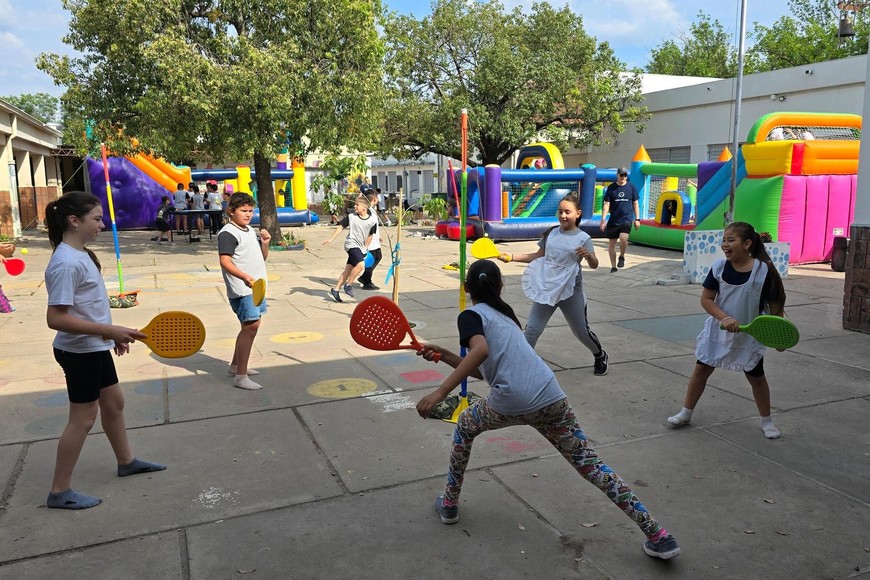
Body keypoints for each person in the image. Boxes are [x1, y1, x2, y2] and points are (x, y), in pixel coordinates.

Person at [414, 259, 681, 560]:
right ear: (500, 286)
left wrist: (439, 392)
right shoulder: (507, 317)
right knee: (591, 465)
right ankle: (657, 534)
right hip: (551, 397)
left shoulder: (470, 315)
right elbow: (485, 370)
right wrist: (446, 354)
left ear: (466, 287)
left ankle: (449, 504)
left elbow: (480, 352)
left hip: (511, 401)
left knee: (464, 426)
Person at [43, 191, 166, 510]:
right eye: (96, 219)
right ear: (74, 221)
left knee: (114, 403)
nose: (102, 224)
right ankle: (59, 490)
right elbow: (55, 318)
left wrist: (110, 336)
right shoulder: (66, 262)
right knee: (82, 419)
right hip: (78, 351)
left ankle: (126, 461)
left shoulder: (81, 253)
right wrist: (109, 331)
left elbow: (88, 308)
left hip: (93, 346)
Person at [667, 221, 787, 439]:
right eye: (723, 240)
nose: (725, 244)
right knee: (701, 370)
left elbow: (776, 302)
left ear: (747, 244)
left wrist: (777, 332)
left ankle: (767, 421)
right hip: (718, 331)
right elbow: (706, 299)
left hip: (749, 336)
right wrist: (724, 318)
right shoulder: (719, 268)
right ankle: (686, 412)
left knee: (757, 378)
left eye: (731, 240)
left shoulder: (763, 271)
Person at [498, 193, 608, 376]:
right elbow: (537, 256)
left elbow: (594, 264)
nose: (563, 216)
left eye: (567, 212)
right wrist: (511, 257)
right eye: (560, 212)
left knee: (581, 331)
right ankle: (520, 366)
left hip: (571, 290)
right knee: (532, 329)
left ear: (578, 213)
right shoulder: (551, 233)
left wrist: (589, 255)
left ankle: (599, 355)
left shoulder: (583, 238)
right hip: (547, 287)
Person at [218, 192, 271, 390]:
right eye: (243, 211)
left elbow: (261, 258)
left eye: (251, 211)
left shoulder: (249, 230)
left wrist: (265, 244)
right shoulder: (228, 233)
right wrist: (244, 277)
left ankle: (235, 366)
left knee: (249, 326)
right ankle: (241, 376)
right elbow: (225, 261)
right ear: (231, 211)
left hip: (256, 287)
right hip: (242, 289)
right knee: (251, 326)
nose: (248, 214)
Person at [322, 194, 377, 302]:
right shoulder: (351, 217)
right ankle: (348, 285)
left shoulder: (372, 221)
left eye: (357, 205)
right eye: (355, 205)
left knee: (348, 269)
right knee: (361, 265)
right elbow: (341, 227)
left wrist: (365, 248)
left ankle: (336, 290)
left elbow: (370, 236)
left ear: (364, 207)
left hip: (360, 247)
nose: (355, 207)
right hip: (351, 244)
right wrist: (331, 239)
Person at [600, 167, 640, 273]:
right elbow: (606, 204)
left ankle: (622, 256)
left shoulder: (631, 187)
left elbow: (635, 204)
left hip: (626, 219)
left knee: (623, 238)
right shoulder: (611, 188)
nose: (623, 177)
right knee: (612, 243)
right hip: (614, 220)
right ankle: (613, 266)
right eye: (621, 175)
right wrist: (603, 220)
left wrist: (637, 219)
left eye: (625, 175)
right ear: (617, 175)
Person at [358, 189, 383, 290]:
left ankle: (365, 277)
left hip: (374, 240)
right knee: (371, 260)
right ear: (374, 199)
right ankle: (366, 281)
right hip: (370, 241)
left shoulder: (371, 210)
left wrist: (378, 236)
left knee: (378, 257)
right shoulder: (368, 211)